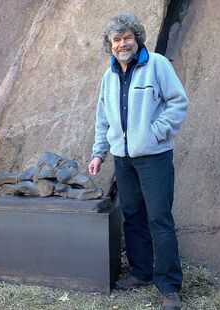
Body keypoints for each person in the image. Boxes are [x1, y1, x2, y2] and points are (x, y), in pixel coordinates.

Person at [88, 13, 188, 310]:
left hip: (154, 157)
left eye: (127, 37)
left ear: (137, 38)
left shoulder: (156, 64)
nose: (122, 44)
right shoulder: (108, 76)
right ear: (110, 44)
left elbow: (178, 101)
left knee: (159, 218)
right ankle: (141, 273)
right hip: (123, 159)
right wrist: (98, 152)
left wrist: (155, 133)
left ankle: (169, 285)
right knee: (132, 216)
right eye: (116, 40)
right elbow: (103, 118)